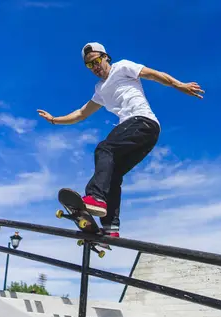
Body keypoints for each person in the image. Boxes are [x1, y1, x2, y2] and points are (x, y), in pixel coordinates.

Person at [37, 42, 204, 238]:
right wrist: (55, 120)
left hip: (142, 122)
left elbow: (153, 74)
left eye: (97, 61)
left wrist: (179, 85)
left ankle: (95, 197)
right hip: (145, 136)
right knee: (114, 174)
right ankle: (110, 228)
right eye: (90, 66)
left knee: (104, 149)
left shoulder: (123, 67)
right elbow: (82, 113)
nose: (95, 67)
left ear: (106, 57)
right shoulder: (100, 90)